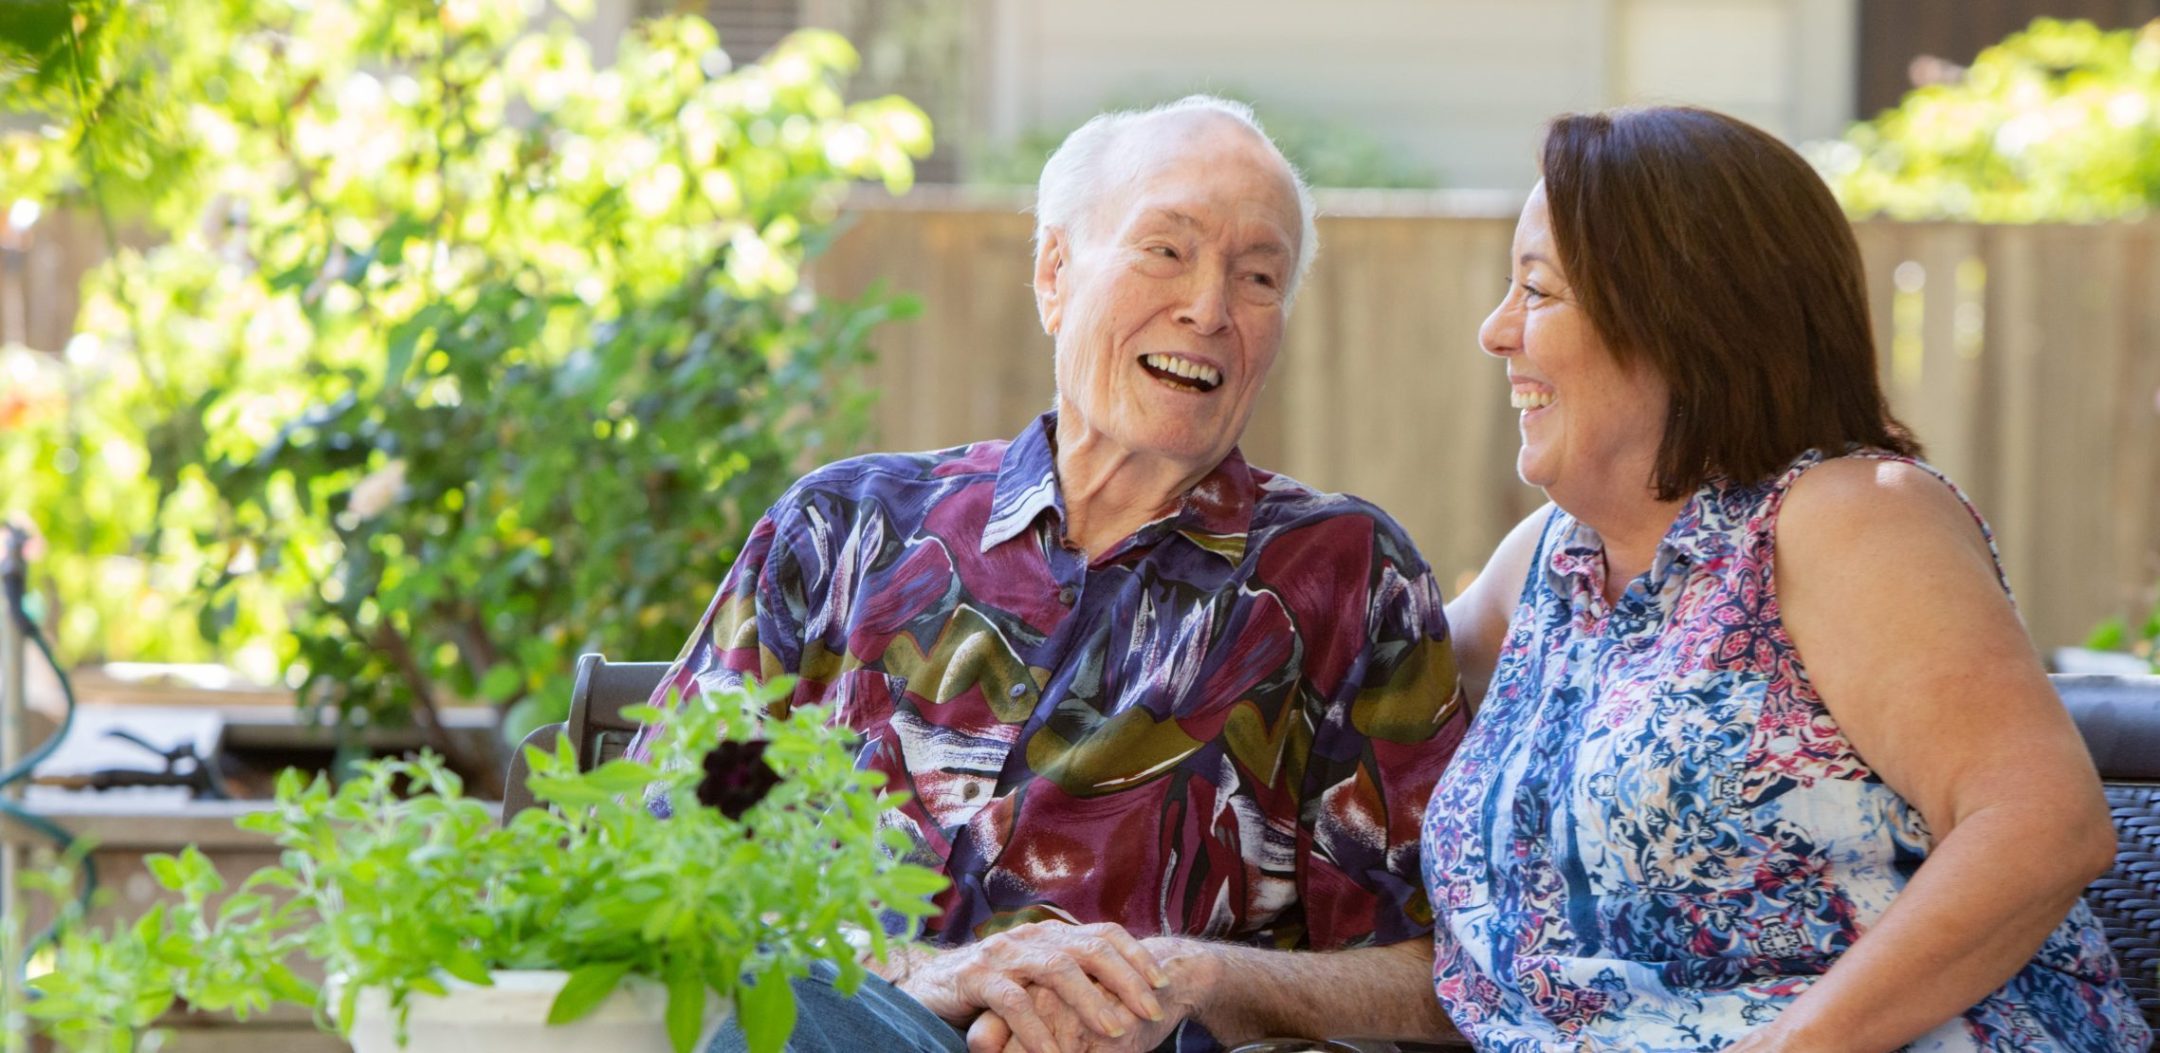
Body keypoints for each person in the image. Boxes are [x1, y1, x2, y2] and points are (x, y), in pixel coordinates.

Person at [634, 95, 1466, 1053]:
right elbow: (652, 844)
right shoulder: (845, 531)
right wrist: (914, 978)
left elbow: (1441, 977)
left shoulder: (1344, 580)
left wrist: (1196, 980)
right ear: (1054, 274)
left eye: (1259, 275)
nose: (1208, 307)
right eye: (1166, 249)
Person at [1426, 105, 2151, 1052]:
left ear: (1681, 317)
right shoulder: (1552, 561)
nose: (1496, 330)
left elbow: (2041, 823)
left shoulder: (1847, 518)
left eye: (1539, 291)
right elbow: (1356, 671)